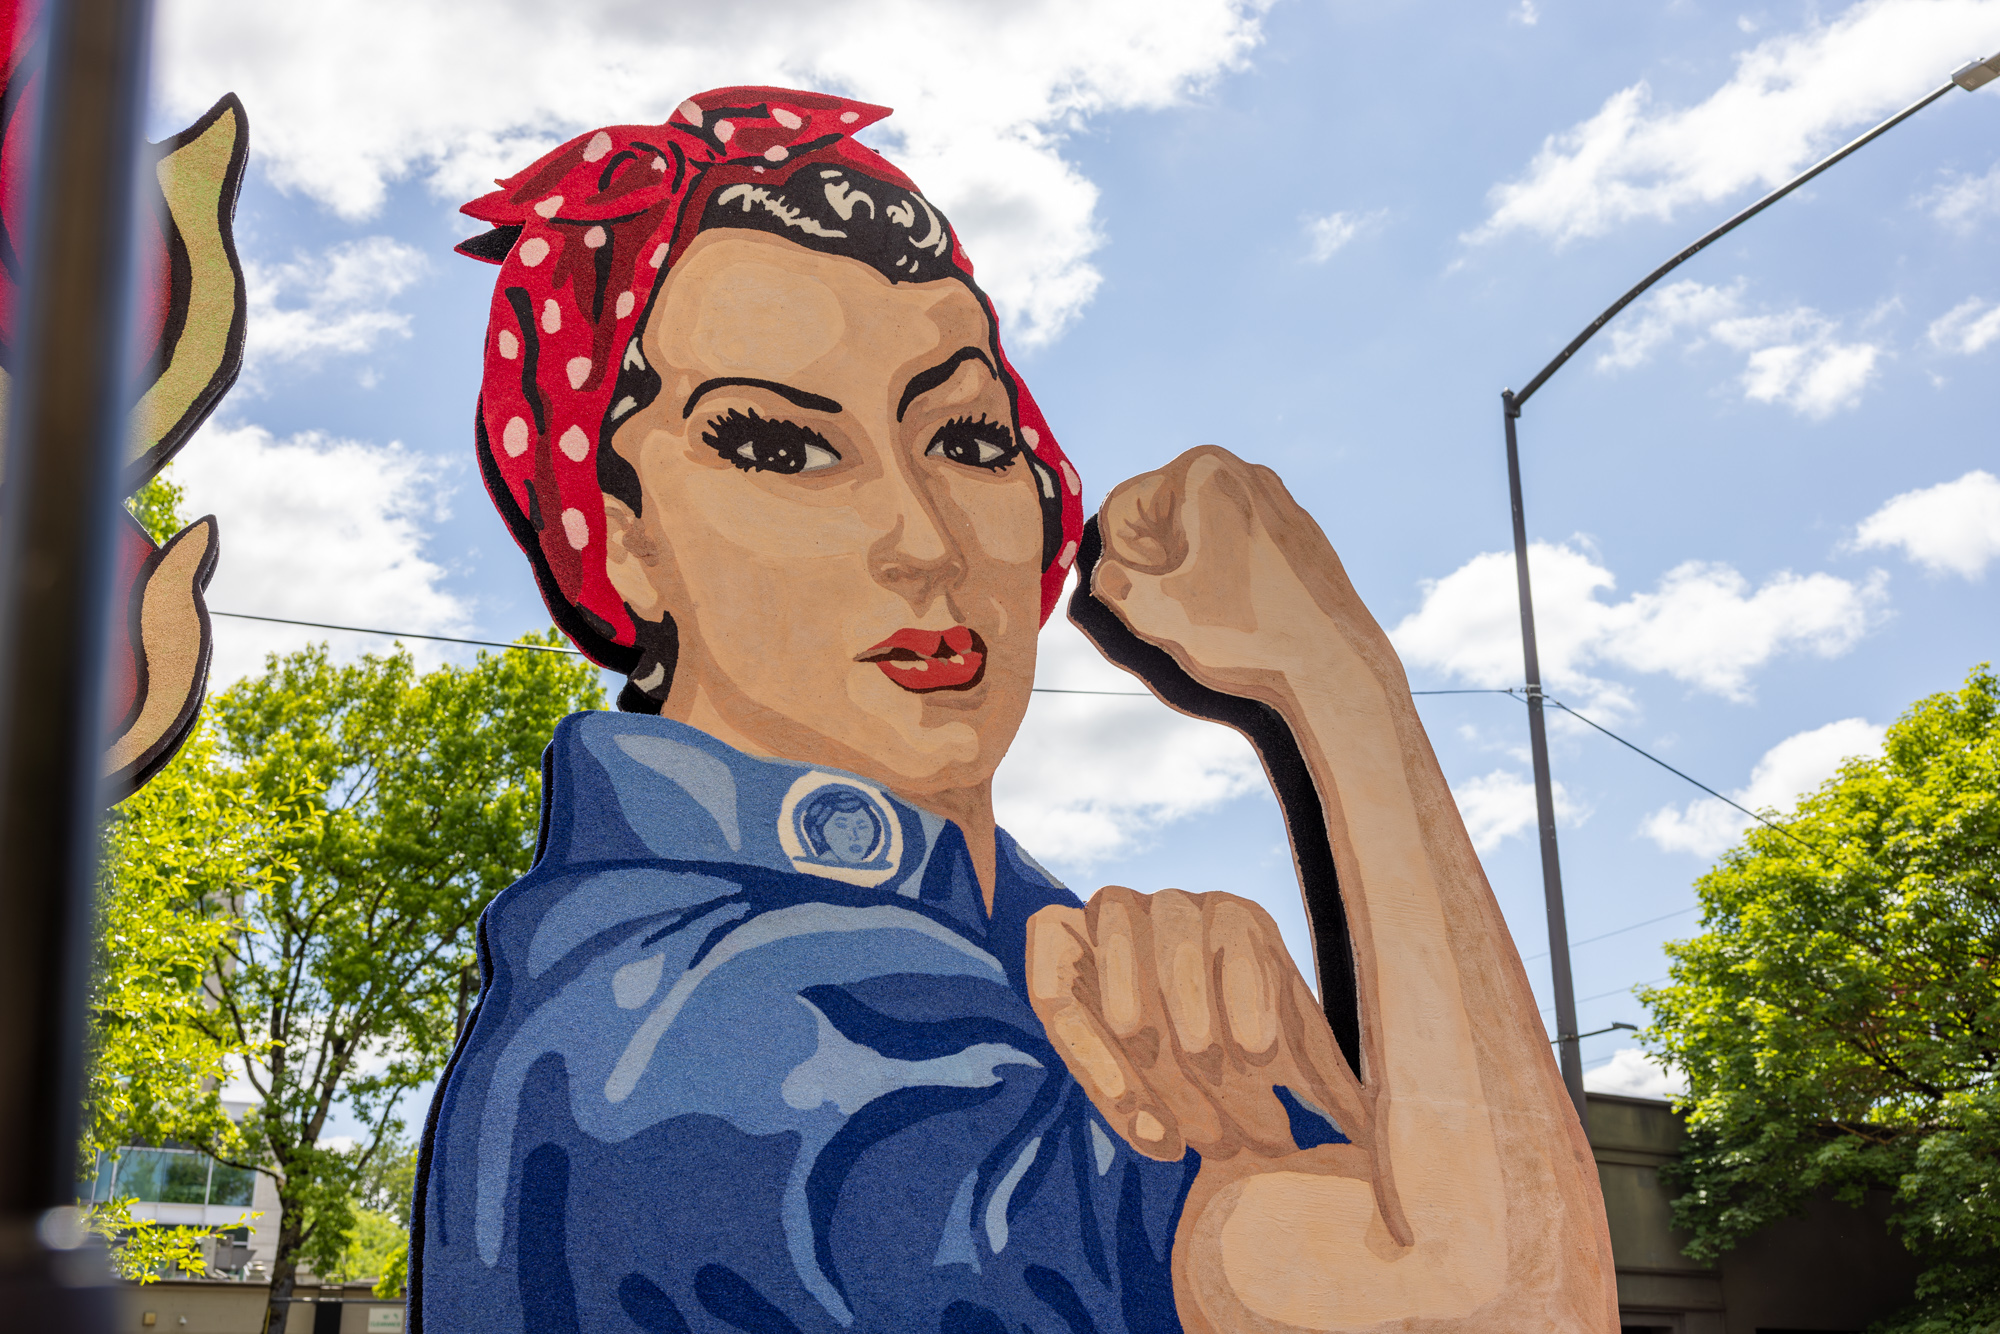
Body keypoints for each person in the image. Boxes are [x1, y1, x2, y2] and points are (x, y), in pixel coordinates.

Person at [411, 87, 1615, 1334]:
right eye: (778, 446)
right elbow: (1496, 1297)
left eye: (968, 437)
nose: (922, 538)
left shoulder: (1006, 939)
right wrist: (1338, 683)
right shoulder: (696, 1014)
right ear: (622, 542)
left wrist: (1297, 1102)